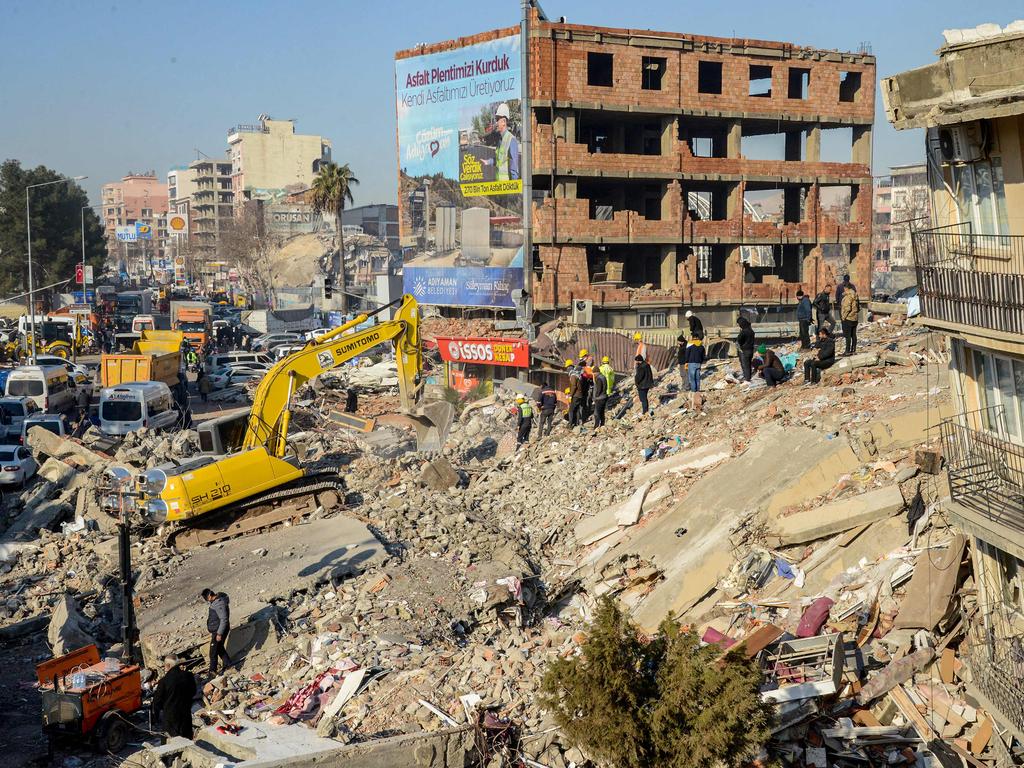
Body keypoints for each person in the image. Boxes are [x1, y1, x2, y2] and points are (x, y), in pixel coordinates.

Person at [151, 654, 197, 738]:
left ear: (168, 665)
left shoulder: (164, 681)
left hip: (170, 718)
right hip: (185, 715)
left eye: (164, 665)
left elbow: (157, 701)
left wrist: (162, 710)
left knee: (173, 743)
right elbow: (193, 692)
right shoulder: (188, 676)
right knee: (187, 741)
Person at [201, 588, 233, 674]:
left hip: (219, 630)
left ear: (209, 596)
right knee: (219, 648)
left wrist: (219, 633)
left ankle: (212, 671)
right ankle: (229, 665)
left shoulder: (219, 604)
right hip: (217, 629)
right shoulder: (215, 602)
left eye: (206, 599)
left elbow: (224, 619)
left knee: (213, 651)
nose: (207, 601)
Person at [491, 103, 520, 181]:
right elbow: (499, 160)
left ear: (504, 121)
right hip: (500, 186)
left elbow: (514, 167)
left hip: (507, 188)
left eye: (497, 120)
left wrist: (514, 188)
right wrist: (488, 161)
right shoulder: (500, 140)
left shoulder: (511, 139)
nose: (496, 123)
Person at [840, 282, 860, 355]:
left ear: (846, 288)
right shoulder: (855, 296)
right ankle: (853, 350)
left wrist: (843, 317)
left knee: (847, 336)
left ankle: (847, 351)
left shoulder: (848, 296)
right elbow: (858, 307)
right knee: (853, 335)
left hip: (848, 318)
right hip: (855, 318)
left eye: (844, 289)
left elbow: (847, 308)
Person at [736, 316, 755, 382]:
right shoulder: (751, 330)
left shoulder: (744, 332)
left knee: (745, 365)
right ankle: (748, 377)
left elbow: (739, 340)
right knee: (748, 364)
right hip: (750, 350)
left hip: (744, 350)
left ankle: (747, 379)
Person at [566, 359, 584, 428]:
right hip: (579, 395)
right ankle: (576, 423)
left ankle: (570, 424)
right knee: (576, 410)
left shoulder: (573, 376)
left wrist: (570, 395)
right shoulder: (578, 375)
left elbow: (573, 386)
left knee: (571, 410)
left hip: (575, 395)